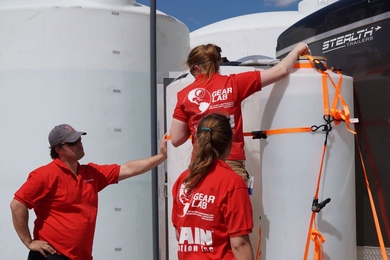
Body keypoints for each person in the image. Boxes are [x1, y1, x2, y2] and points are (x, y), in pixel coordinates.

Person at [10, 124, 167, 260]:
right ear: (59, 149)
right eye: (73, 142)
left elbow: (127, 169)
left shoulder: (91, 173)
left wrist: (161, 157)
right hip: (51, 256)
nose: (79, 143)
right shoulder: (45, 175)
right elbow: (17, 205)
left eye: (79, 139)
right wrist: (29, 242)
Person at [170, 42, 308, 183]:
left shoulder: (184, 95)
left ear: (196, 68)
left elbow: (176, 139)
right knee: (235, 202)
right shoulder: (233, 83)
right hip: (231, 162)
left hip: (199, 165)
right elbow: (281, 71)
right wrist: (296, 49)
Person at [172, 113, 254, 260]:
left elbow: (180, 234)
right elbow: (239, 244)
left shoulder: (184, 179)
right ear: (230, 143)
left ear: (198, 140)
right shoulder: (232, 183)